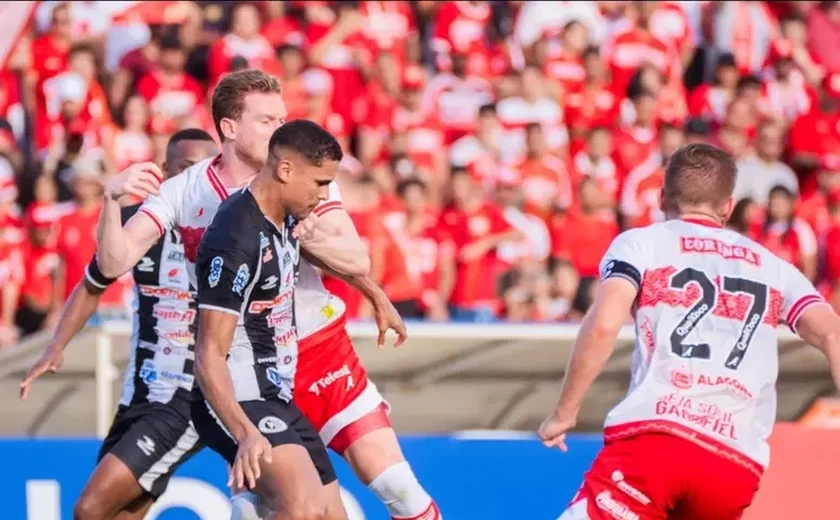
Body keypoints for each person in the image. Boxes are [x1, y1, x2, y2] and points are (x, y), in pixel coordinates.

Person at [93, 69, 439, 520]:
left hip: (319, 351)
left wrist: (372, 291)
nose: (280, 129)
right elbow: (114, 263)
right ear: (229, 128)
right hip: (245, 369)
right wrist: (109, 201)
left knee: (396, 488)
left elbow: (356, 259)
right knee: (274, 506)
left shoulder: (300, 177)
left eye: (282, 117)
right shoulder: (192, 196)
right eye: (266, 120)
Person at [539, 143, 840, 520]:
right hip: (733, 464)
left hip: (657, 439)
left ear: (663, 196)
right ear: (728, 207)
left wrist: (564, 412)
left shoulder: (641, 243)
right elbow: (832, 333)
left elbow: (602, 324)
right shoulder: (773, 267)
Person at [18, 128, 219, 520]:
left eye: (206, 170)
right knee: (122, 515)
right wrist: (56, 344)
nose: (196, 179)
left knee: (90, 509)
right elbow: (92, 284)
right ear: (164, 171)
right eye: (186, 169)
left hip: (187, 400)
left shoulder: (226, 231)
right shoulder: (139, 225)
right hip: (139, 396)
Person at [193, 119, 342, 520]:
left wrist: (377, 297)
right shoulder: (235, 234)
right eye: (320, 183)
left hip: (276, 396)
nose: (323, 195)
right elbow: (208, 354)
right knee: (301, 507)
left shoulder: (284, 217)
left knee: (332, 516)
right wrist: (245, 433)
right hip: (238, 396)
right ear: (285, 170)